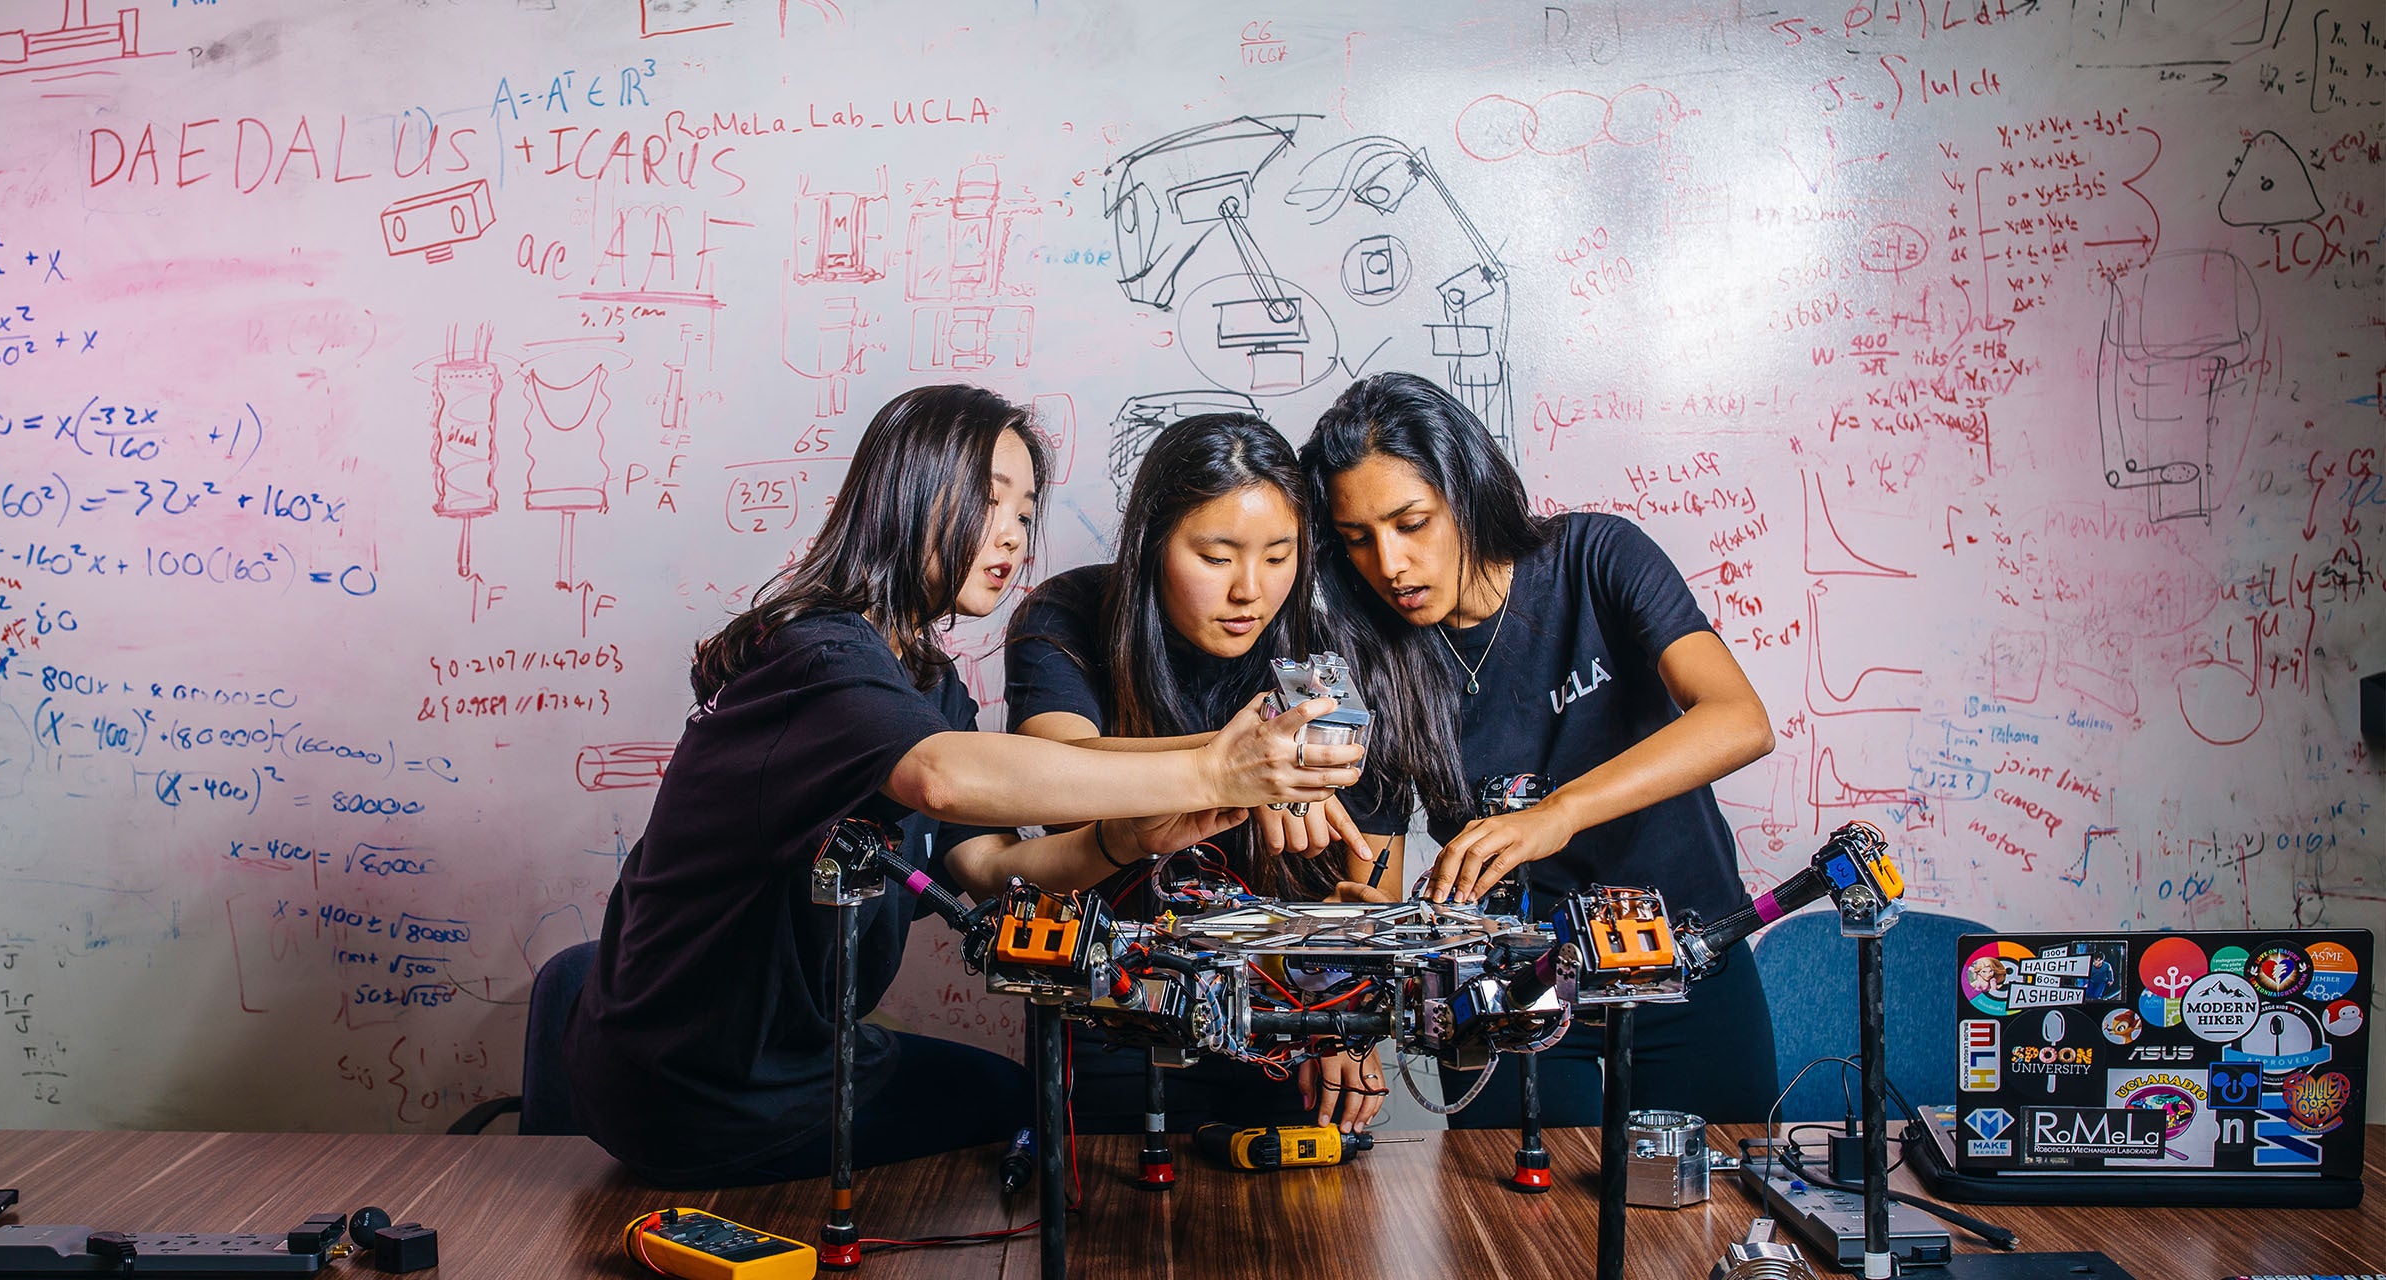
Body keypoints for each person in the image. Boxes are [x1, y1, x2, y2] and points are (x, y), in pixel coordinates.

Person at [562, 385, 1364, 1188]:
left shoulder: (924, 684)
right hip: (699, 1087)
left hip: (808, 1061)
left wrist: (1126, 839)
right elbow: (944, 780)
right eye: (988, 503)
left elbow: (986, 870)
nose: (1012, 537)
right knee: (1025, 1123)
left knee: (1021, 1104)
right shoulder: (817, 654)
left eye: (1023, 513)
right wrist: (1219, 769)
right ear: (907, 497)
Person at [1300, 371, 1780, 1127]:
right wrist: (1348, 1002)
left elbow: (1738, 719)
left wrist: (1559, 814)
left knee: (1717, 1214)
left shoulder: (1596, 557)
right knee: (1514, 1235)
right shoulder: (1370, 662)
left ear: (1466, 490)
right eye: (1358, 540)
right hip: (1512, 992)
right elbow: (1377, 878)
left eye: (1411, 523)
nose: (1388, 565)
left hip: (1685, 959)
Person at [1005, 412, 1401, 1135]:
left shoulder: (1335, 655)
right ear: (1154, 543)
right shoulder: (1068, 616)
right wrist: (1235, 768)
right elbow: (1052, 774)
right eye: (1217, 557)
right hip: (1115, 1004)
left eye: (1280, 555)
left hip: (1289, 1017)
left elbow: (1371, 874)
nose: (1250, 589)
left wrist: (1350, 1014)